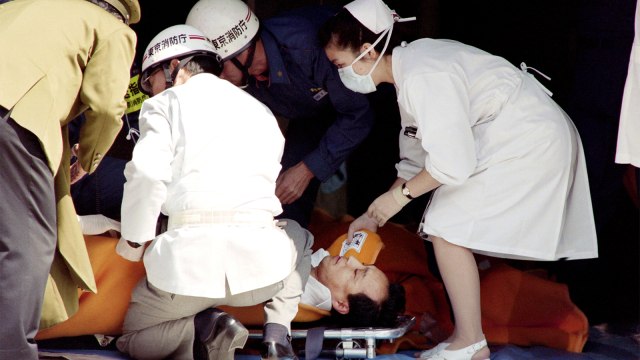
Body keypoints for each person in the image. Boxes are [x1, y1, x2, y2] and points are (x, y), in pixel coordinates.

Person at [318, 0, 599, 359]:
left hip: (527, 140)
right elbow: (417, 158)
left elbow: (452, 165)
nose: (340, 74)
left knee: (446, 227)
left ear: (368, 51)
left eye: (340, 65)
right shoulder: (411, 70)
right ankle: (467, 338)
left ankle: (471, 341)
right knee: (445, 225)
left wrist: (398, 198)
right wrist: (374, 216)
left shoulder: (423, 75)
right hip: (512, 138)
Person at [114, 24, 309, 360]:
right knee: (299, 236)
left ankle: (203, 327)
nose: (149, 91)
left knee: (133, 336)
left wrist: (134, 242)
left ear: (173, 68)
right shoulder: (261, 111)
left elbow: (146, 173)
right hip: (261, 275)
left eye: (150, 81)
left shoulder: (165, 104)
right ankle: (277, 332)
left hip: (186, 274)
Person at [0, 0, 139, 358]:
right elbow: (108, 108)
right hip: (13, 118)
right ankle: (12, 350)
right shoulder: (113, 29)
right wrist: (88, 160)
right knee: (29, 241)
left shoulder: (25, 5)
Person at [186, 0, 375, 228]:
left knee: (372, 181)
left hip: (369, 98)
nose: (220, 77)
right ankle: (293, 254)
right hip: (311, 113)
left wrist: (307, 170)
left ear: (243, 53)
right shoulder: (242, 77)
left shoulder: (307, 46)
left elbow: (358, 113)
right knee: (284, 190)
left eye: (219, 67)